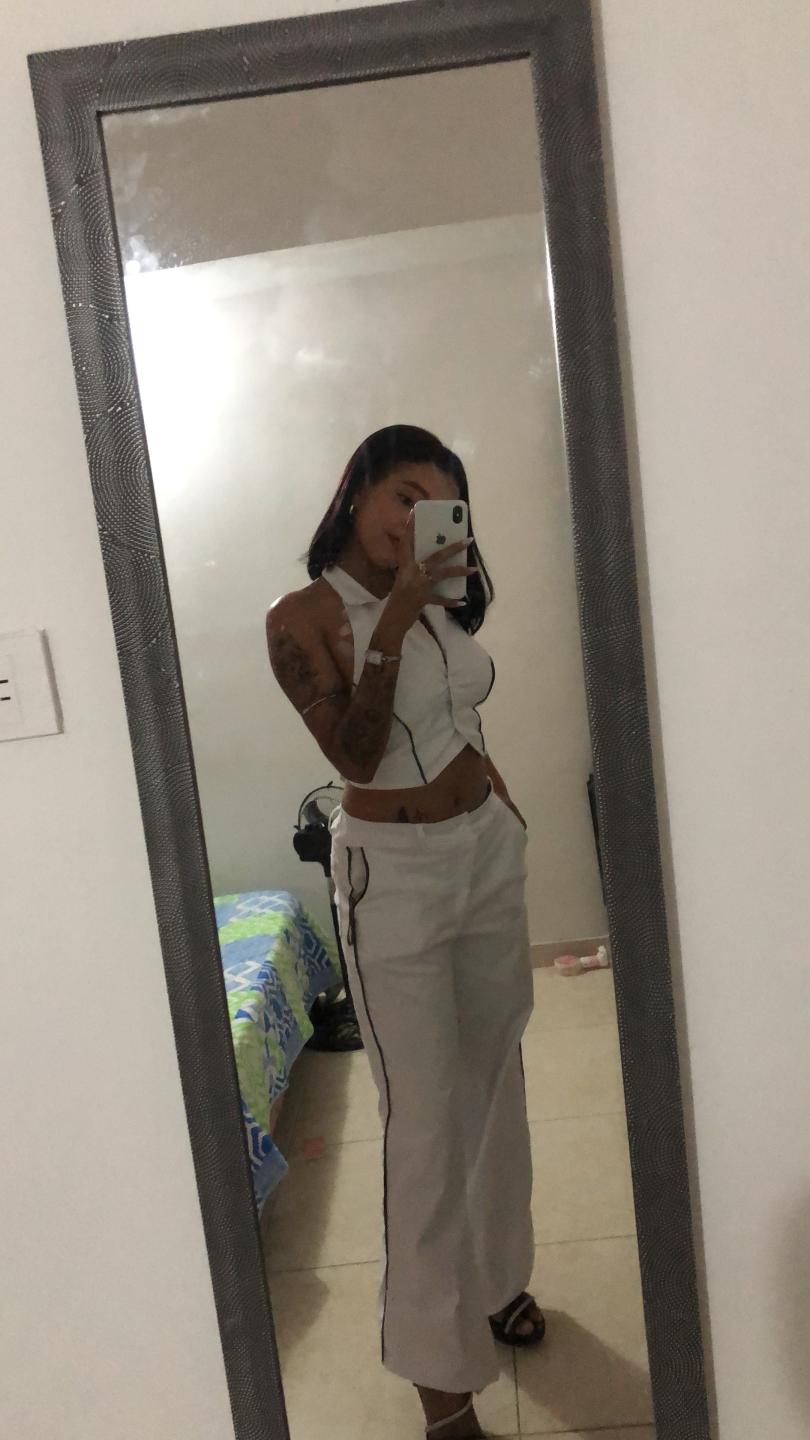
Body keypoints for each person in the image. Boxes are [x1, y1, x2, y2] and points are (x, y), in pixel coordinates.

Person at [267, 425, 544, 1439]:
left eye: (440, 500)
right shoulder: (301, 618)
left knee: (495, 1082)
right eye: (404, 494)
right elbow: (356, 749)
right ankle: (441, 1384)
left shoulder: (435, 604)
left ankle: (497, 1280)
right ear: (358, 494)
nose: (416, 517)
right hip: (395, 880)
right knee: (422, 1121)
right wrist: (393, 617)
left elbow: (460, 716)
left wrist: (501, 806)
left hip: (484, 854)